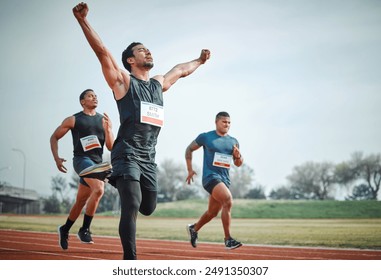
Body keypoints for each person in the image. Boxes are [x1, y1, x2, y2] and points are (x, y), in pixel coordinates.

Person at [72, 2, 211, 260]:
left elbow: (181, 70)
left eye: (147, 49)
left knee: (149, 206)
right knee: (132, 204)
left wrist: (200, 61)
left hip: (148, 157)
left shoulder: (158, 84)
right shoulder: (123, 83)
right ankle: (130, 261)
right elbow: (102, 52)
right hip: (126, 154)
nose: (147, 51)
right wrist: (83, 21)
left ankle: (116, 178)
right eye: (140, 50)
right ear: (130, 60)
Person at [50, 89, 114, 250]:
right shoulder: (74, 119)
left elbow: (111, 146)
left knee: (80, 202)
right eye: (90, 96)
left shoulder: (102, 120)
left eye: (96, 96)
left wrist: (108, 129)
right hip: (81, 161)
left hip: (97, 163)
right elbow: (54, 137)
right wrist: (56, 158)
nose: (94, 98)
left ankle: (64, 229)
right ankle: (85, 229)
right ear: (82, 102)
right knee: (99, 190)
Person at [185, 112, 243, 250]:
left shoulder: (233, 141)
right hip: (210, 177)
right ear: (216, 122)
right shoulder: (206, 137)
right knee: (228, 200)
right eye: (224, 122)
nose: (227, 125)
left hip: (224, 179)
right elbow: (189, 149)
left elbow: (238, 163)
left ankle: (194, 228)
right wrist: (189, 169)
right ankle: (228, 239)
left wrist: (238, 156)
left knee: (212, 213)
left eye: (229, 122)